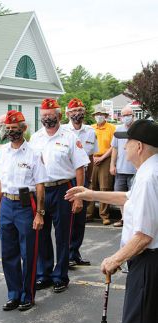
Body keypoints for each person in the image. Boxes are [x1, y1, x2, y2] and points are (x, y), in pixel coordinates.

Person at [65, 119, 158, 323]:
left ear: (139, 146)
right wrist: (91, 193)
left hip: (148, 264)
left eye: (127, 141)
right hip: (150, 263)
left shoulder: (148, 177)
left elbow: (144, 235)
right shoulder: (150, 171)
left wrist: (114, 259)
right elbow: (128, 198)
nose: (123, 145)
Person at [30, 98, 89, 293]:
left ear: (59, 116)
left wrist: (79, 196)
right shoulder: (36, 138)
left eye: (51, 115)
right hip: (41, 190)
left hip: (64, 189)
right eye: (44, 115)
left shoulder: (70, 137)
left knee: (63, 234)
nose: (47, 118)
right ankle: (44, 274)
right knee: (42, 234)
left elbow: (80, 168)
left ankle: (60, 275)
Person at [0, 110, 46, 311]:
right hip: (6, 203)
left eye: (15, 128)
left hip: (26, 206)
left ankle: (27, 295)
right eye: (9, 128)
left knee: (28, 252)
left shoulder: (34, 153)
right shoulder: (3, 152)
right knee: (8, 253)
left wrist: (40, 213)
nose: (11, 131)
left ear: (23, 129)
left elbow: (40, 185)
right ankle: (13, 294)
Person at [66, 98, 98, 267]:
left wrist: (90, 179)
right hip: (67, 178)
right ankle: (66, 255)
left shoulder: (90, 131)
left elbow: (91, 157)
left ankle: (75, 252)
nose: (77, 113)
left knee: (80, 219)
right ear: (68, 114)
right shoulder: (63, 130)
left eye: (80, 110)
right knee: (68, 218)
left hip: (83, 177)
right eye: (74, 111)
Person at [86, 106, 116, 225]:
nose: (99, 116)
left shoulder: (112, 128)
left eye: (101, 114)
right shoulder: (90, 128)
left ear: (106, 116)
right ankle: (88, 214)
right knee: (91, 186)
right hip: (92, 158)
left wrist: (102, 157)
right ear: (94, 116)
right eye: (97, 114)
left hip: (106, 158)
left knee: (105, 187)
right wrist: (92, 157)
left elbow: (113, 146)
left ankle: (104, 215)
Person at [110, 106, 136, 227]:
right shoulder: (118, 130)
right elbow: (114, 149)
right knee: (120, 195)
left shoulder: (138, 129)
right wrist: (112, 164)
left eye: (128, 115)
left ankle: (134, 220)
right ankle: (124, 218)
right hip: (120, 169)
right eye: (124, 115)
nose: (126, 117)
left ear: (133, 115)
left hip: (135, 170)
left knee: (134, 197)